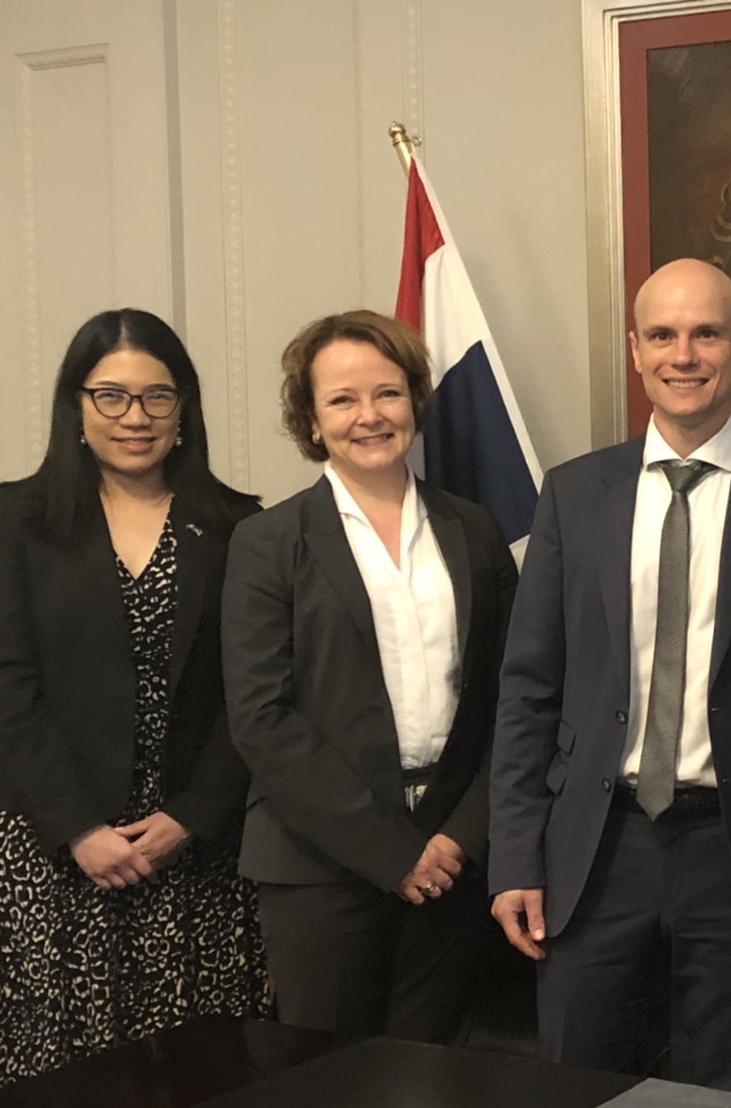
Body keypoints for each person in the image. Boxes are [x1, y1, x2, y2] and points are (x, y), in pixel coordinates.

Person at [487, 258, 731, 1095]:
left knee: (729, 1084)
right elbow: (529, 688)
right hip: (594, 849)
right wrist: (513, 856)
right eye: (662, 335)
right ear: (635, 350)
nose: (683, 355)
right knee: (578, 1079)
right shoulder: (574, 493)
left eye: (706, 334)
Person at [0, 308, 269, 1094]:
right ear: (77, 405)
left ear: (184, 407)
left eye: (157, 396)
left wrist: (191, 816)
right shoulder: (12, 518)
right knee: (61, 1084)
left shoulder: (238, 524)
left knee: (201, 1076)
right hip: (52, 847)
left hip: (190, 851)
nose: (136, 417)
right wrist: (81, 830)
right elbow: (2, 682)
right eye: (111, 395)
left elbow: (253, 689)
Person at [221, 309, 516, 1040]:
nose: (370, 416)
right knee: (326, 1078)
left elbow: (512, 700)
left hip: (452, 858)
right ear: (311, 420)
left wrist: (458, 838)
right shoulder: (267, 542)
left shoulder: (475, 530)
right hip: (320, 864)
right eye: (342, 400)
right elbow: (262, 719)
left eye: (387, 393)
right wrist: (394, 854)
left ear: (414, 399)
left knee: (433, 1076)